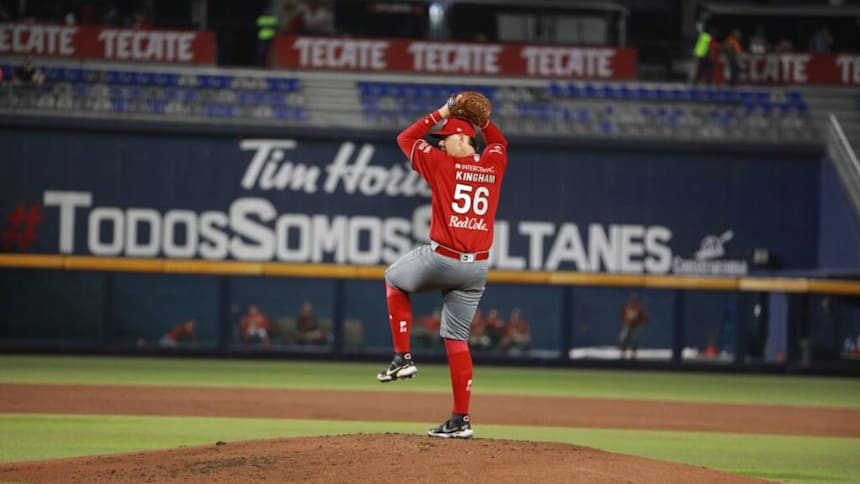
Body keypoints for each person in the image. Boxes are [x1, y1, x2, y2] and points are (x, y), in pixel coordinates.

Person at [376, 92, 509, 440]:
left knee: (393, 279)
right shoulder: (493, 165)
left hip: (444, 259)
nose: (440, 142)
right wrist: (485, 124)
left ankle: (402, 357)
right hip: (477, 269)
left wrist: (445, 110)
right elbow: (499, 142)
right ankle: (460, 420)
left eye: (445, 137)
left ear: (461, 138)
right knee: (457, 340)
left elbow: (405, 138)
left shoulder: (441, 165)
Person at [618, 293, 649, 359]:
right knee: (623, 339)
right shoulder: (627, 307)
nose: (633, 301)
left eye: (635, 299)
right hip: (627, 326)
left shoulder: (639, 308)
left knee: (634, 340)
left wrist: (641, 325)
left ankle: (633, 355)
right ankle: (622, 354)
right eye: (632, 299)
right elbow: (623, 316)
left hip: (636, 326)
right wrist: (624, 323)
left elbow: (645, 317)